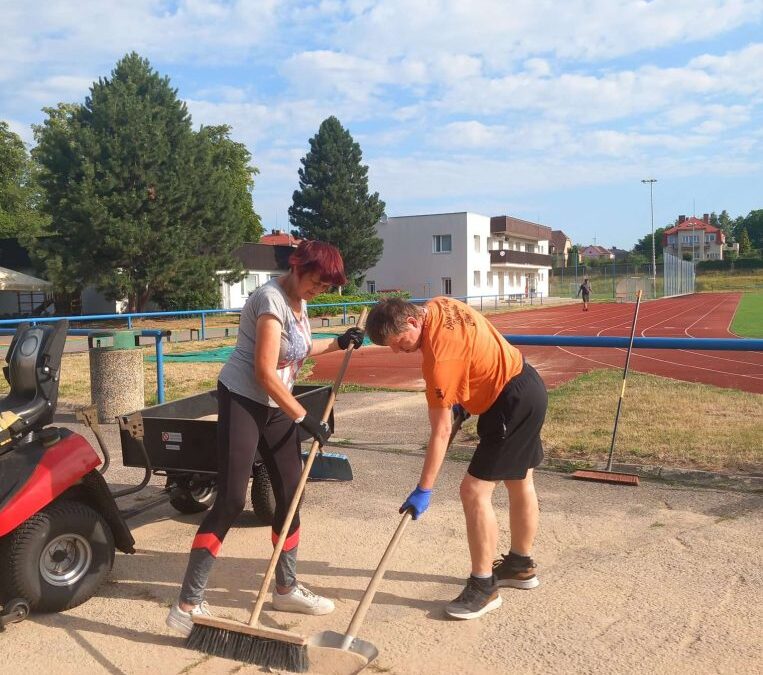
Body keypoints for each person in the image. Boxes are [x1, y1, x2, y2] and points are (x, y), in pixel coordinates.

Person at [166, 240, 364, 637]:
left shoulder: (299, 303)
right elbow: (264, 372)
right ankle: (186, 604)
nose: (318, 291)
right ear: (297, 266)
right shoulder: (270, 300)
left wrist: (339, 342)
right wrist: (304, 417)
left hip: (275, 403)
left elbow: (298, 351)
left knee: (292, 493)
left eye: (326, 288)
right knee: (232, 499)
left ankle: (286, 588)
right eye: (315, 282)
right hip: (244, 398)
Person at [365, 297, 547, 620]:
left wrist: (424, 488)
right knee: (520, 480)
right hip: (525, 384)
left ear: (411, 323)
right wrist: (462, 400)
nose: (397, 351)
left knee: (473, 491)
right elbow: (470, 351)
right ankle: (520, 565)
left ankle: (483, 587)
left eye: (398, 342)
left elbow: (441, 430)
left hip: (509, 401)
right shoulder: (438, 304)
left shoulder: (437, 359)